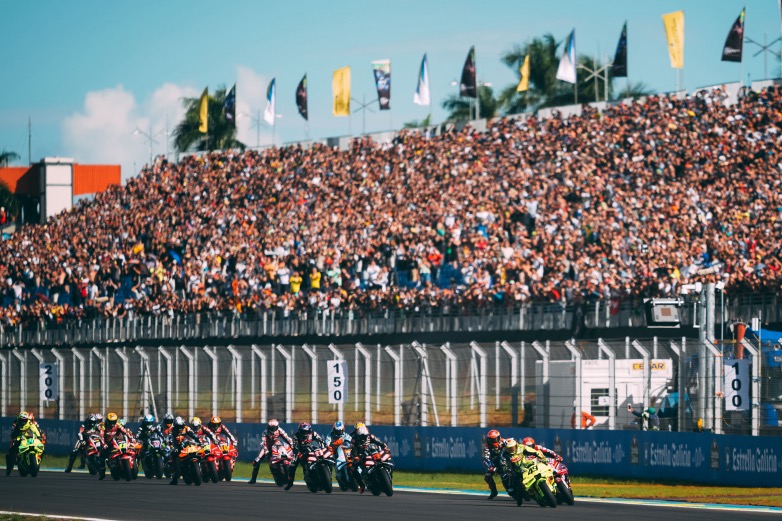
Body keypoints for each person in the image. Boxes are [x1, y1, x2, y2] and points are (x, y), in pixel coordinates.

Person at [348, 422, 388, 494]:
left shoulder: (370, 436)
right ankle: (361, 485)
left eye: (365, 436)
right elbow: (353, 449)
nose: (364, 437)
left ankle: (387, 469)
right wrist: (355, 456)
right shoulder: (354, 439)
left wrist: (384, 447)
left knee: (386, 457)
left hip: (373, 452)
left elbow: (379, 442)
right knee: (352, 469)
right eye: (362, 436)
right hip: (361, 455)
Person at [250, 419, 293, 484]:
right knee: (257, 460)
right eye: (271, 427)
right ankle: (253, 479)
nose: (272, 429)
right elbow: (264, 443)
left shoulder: (280, 430)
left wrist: (292, 445)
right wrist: (266, 450)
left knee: (285, 455)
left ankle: (287, 472)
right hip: (267, 446)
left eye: (274, 428)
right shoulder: (265, 432)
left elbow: (287, 438)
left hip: (276, 445)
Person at [284, 421, 325, 490]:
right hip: (301, 452)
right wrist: (298, 452)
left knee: (325, 458)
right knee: (292, 465)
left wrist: (323, 447)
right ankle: (290, 482)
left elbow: (321, 441)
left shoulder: (313, 433)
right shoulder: (296, 436)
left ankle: (326, 473)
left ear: (310, 430)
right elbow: (294, 446)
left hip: (313, 450)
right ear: (300, 431)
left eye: (307, 431)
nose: (305, 433)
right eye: (303, 431)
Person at [5, 411, 44, 476]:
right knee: (11, 453)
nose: (23, 422)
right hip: (19, 437)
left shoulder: (29, 423)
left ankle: (38, 460)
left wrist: (39, 436)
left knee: (40, 446)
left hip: (28, 438)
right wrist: (15, 438)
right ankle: (9, 468)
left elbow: (34, 429)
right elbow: (13, 433)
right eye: (22, 420)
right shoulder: (15, 424)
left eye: (25, 420)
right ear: (19, 419)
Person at [167, 416, 201, 485]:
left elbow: (193, 435)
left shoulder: (187, 428)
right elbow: (170, 440)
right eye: (178, 426)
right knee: (173, 458)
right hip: (177, 447)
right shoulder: (172, 430)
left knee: (199, 453)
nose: (180, 428)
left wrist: (199, 441)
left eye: (181, 426)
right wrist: (173, 447)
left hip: (187, 445)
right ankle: (175, 478)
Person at [324, 421, 352, 488]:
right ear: (334, 430)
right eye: (337, 431)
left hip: (345, 451)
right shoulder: (330, 435)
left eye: (340, 431)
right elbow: (327, 443)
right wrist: (329, 446)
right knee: (326, 459)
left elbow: (351, 441)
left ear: (343, 430)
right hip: (334, 451)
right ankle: (331, 476)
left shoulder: (345, 435)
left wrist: (352, 445)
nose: (338, 433)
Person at [482, 429, 508, 500]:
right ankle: (494, 492)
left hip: (507, 460)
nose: (493, 441)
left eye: (495, 439)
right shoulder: (487, 447)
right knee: (487, 476)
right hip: (495, 463)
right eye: (491, 440)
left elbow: (514, 446)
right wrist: (490, 467)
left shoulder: (504, 441)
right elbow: (486, 458)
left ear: (499, 437)